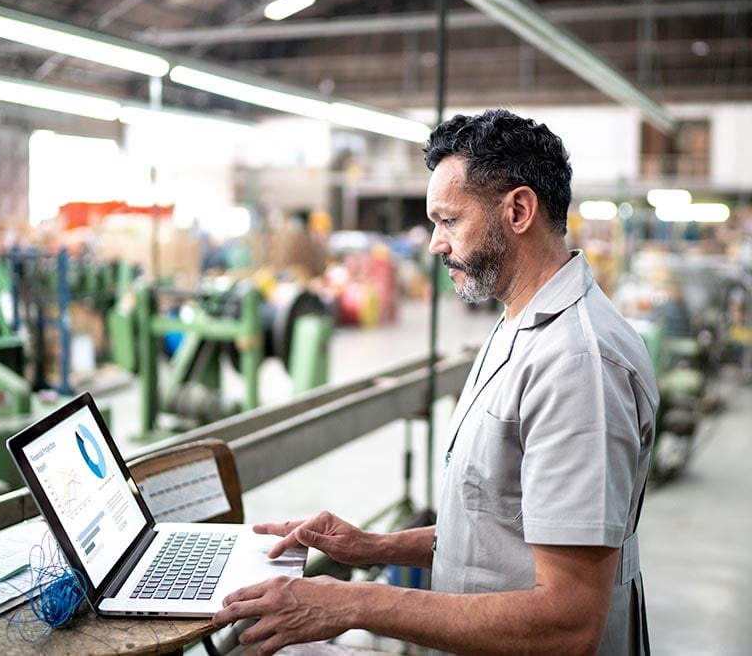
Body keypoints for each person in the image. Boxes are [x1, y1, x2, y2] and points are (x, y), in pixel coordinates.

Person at [212, 109, 659, 656]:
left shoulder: (577, 363)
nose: (434, 245)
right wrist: (373, 545)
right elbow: (500, 533)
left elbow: (569, 621)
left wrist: (354, 603)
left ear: (518, 210)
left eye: (448, 221)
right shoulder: (521, 321)